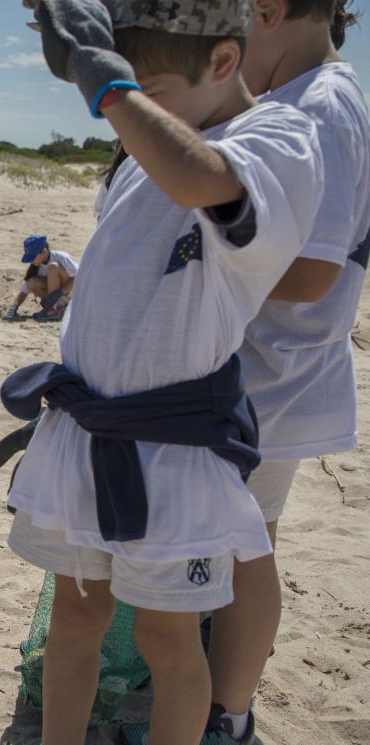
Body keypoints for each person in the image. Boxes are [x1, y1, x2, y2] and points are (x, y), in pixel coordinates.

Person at [3, 3, 324, 745]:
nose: (126, 112)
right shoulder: (141, 150)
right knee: (75, 618)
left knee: (167, 640)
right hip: (86, 433)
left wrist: (108, 86)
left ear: (221, 62)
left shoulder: (276, 137)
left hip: (174, 452)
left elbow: (195, 178)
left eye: (147, 89)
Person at [124, 3, 369, 744]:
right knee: (239, 542)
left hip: (269, 376)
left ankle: (224, 714)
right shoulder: (312, 95)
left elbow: (309, 272)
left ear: (266, 10)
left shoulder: (320, 102)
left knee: (244, 546)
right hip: (260, 372)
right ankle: (212, 693)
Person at [2, 234, 79, 322]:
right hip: (60, 300)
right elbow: (24, 290)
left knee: (53, 267)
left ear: (44, 252)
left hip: (74, 296)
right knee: (32, 282)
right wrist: (14, 306)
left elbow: (79, 277)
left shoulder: (62, 257)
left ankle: (54, 309)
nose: (31, 260)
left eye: (33, 256)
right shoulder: (36, 266)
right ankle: (55, 308)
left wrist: (60, 293)